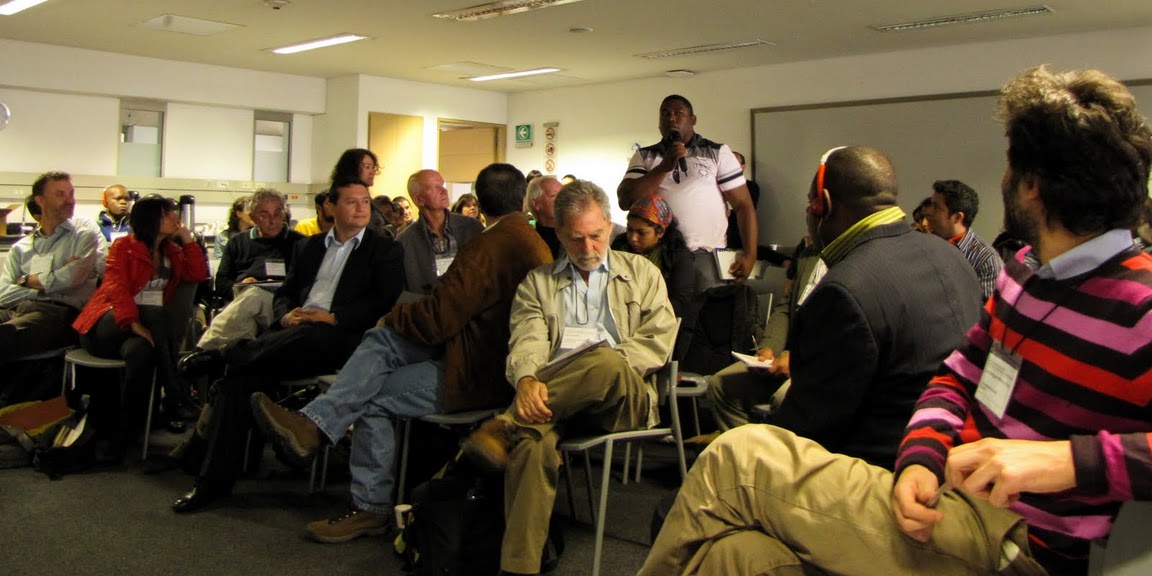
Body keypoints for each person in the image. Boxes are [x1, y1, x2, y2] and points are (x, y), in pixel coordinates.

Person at [641, 65, 1152, 576]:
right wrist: (922, 456)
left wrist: (1068, 461)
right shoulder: (1026, 278)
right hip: (949, 505)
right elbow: (957, 376)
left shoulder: (1138, 301)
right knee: (738, 557)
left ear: (1031, 186)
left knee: (739, 459)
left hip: (1020, 545)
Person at [250, 163, 553, 542]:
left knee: (372, 386)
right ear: (523, 199)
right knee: (381, 347)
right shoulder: (525, 241)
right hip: (483, 358)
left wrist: (393, 316)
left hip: (476, 372)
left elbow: (440, 318)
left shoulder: (489, 245)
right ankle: (319, 432)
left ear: (478, 198)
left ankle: (358, 491)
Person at [708, 147, 982, 467]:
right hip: (944, 458)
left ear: (822, 202)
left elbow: (806, 429)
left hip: (874, 472)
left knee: (713, 477)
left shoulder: (844, 288)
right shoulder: (950, 255)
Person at [461, 180, 677, 576]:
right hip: (550, 405)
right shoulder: (538, 284)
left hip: (621, 397)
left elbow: (656, 343)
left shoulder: (642, 273)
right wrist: (526, 379)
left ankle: (505, 424)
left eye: (597, 236)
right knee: (531, 446)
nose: (590, 248)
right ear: (558, 233)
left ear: (609, 225)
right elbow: (527, 341)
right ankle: (518, 568)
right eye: (577, 240)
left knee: (605, 362)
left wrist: (583, 365)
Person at [171, 179, 404, 513]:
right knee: (240, 383)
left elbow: (383, 302)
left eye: (365, 201)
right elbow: (285, 293)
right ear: (330, 207)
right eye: (351, 202)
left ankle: (220, 356)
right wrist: (285, 316)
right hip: (292, 339)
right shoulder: (309, 247)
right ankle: (212, 484)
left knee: (299, 338)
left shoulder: (384, 249)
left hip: (343, 339)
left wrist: (334, 318)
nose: (361, 208)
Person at [73, 195, 209, 454]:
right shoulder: (124, 246)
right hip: (108, 323)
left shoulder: (172, 252)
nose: (174, 218)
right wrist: (133, 322)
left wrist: (188, 239)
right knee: (155, 314)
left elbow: (198, 275)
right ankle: (175, 393)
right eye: (167, 214)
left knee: (141, 352)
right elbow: (116, 288)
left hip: (144, 334)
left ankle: (127, 432)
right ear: (150, 220)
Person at [618, 94, 758, 285]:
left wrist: (750, 254)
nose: (671, 119)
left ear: (692, 120)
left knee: (707, 311)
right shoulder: (645, 155)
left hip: (705, 256)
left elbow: (743, 206)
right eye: (665, 114)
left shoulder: (717, 152)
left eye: (678, 113)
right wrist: (663, 167)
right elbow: (626, 200)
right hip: (659, 255)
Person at [180, 189, 304, 357]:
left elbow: (306, 283)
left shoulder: (300, 243)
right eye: (265, 215)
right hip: (242, 304)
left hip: (279, 306)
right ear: (252, 218)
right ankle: (233, 370)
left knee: (254, 295)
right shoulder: (237, 242)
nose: (273, 220)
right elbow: (222, 283)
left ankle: (205, 351)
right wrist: (239, 287)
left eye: (278, 214)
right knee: (246, 319)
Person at [0, 172, 104, 365]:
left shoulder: (84, 237)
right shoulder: (21, 248)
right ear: (40, 200)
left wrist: (26, 281)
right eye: (60, 195)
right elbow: (4, 294)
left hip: (59, 313)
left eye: (71, 194)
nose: (70, 200)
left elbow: (72, 280)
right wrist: (50, 284)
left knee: (4, 337)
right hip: (16, 309)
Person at [610, 193, 698, 359]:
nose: (633, 238)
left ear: (661, 232)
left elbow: (680, 302)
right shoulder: (620, 246)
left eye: (642, 233)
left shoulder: (678, 257)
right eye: (629, 230)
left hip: (658, 325)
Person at [395, 169, 484, 294]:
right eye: (436, 187)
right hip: (429, 308)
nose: (444, 190)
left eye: (442, 185)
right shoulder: (404, 242)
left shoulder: (472, 228)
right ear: (418, 199)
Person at [925, 179, 1004, 301]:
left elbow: (985, 312)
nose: (928, 213)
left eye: (936, 207)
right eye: (931, 205)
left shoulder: (987, 261)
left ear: (957, 217)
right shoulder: (928, 245)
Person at [727, 151, 760, 250]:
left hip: (737, 231)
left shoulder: (751, 186)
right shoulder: (715, 186)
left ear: (742, 167)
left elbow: (748, 209)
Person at [526, 175, 563, 258]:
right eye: (554, 195)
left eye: (563, 194)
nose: (562, 199)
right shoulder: (530, 242)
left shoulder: (574, 234)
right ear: (536, 204)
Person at [212, 195, 253, 260]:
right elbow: (218, 262)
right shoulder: (222, 237)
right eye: (249, 210)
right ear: (239, 213)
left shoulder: (258, 236)